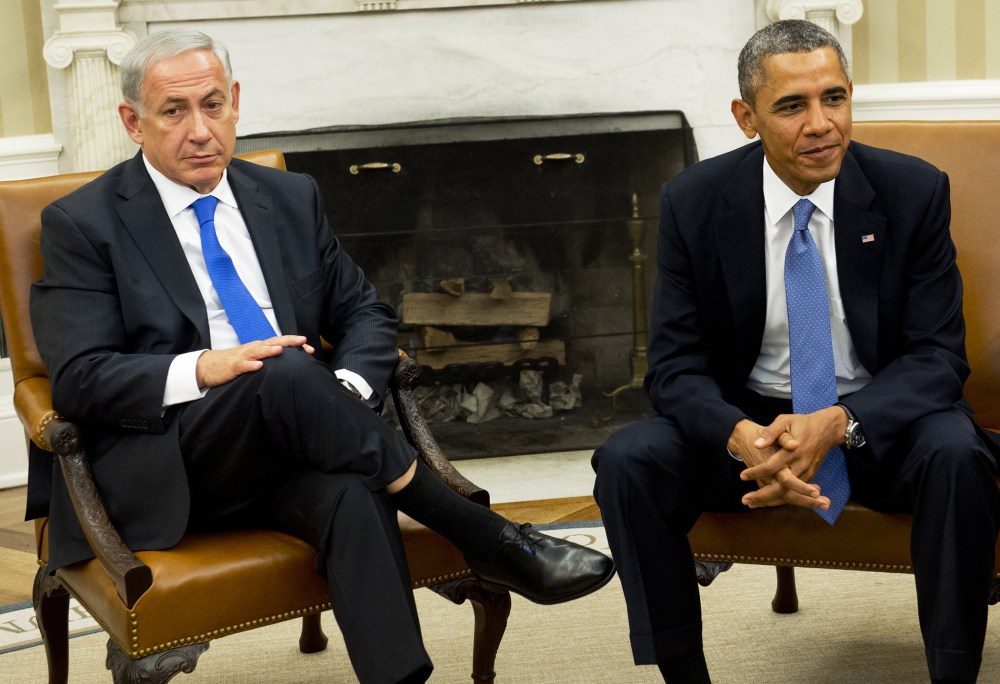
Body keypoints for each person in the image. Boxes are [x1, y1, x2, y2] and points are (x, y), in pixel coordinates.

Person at [27, 28, 614, 684]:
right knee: (278, 371)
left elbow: (364, 313)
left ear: (237, 102)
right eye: (174, 111)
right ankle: (490, 538)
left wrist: (343, 394)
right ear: (133, 122)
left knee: (349, 493)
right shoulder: (83, 224)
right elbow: (78, 379)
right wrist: (203, 367)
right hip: (174, 462)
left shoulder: (286, 198)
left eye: (213, 105)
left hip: (300, 442)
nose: (200, 130)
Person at [592, 18, 1000, 684]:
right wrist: (740, 436)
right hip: (750, 425)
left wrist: (839, 424)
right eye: (792, 106)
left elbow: (937, 357)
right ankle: (681, 674)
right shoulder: (693, 202)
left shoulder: (912, 191)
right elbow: (673, 366)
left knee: (956, 453)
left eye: (833, 98)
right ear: (745, 117)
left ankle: (952, 673)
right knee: (627, 461)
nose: (821, 124)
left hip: (876, 426)